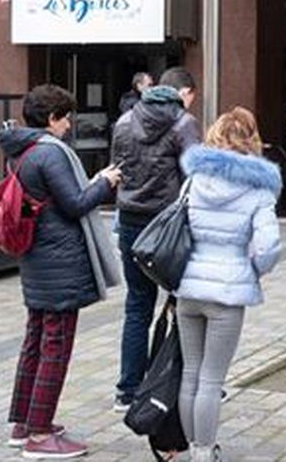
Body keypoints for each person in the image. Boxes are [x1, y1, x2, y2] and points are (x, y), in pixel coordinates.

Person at [0, 85, 123, 459]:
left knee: (35, 342)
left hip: (37, 261)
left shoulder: (20, 152)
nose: (70, 124)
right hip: (60, 264)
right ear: (52, 119)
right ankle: (39, 435)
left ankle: (24, 424)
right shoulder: (49, 154)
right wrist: (104, 182)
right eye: (66, 117)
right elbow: (75, 204)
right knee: (55, 348)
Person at [175, 107, 282, 462]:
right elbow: (268, 247)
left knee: (190, 372)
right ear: (251, 140)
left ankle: (192, 447)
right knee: (211, 378)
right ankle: (204, 453)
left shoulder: (193, 180)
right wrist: (251, 270)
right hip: (228, 291)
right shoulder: (258, 189)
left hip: (188, 287)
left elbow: (178, 230)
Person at [111, 67, 201, 411]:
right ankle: (177, 383)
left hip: (131, 222)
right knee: (183, 305)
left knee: (137, 307)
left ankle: (128, 390)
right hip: (170, 226)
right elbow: (196, 175)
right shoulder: (184, 123)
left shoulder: (123, 122)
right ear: (183, 94)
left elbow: (117, 170)